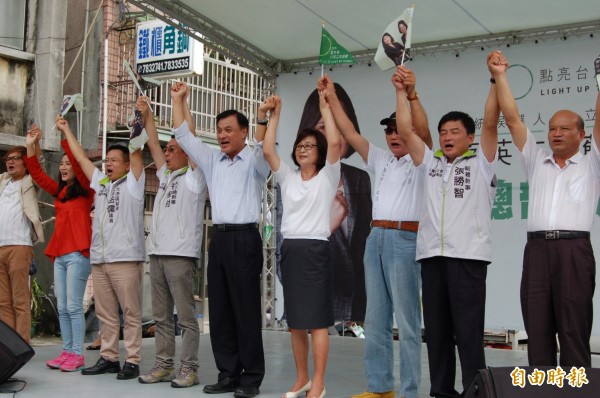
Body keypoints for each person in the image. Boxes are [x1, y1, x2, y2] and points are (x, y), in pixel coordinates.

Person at [320, 66, 431, 398]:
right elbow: (350, 132)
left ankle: (410, 391)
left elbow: (422, 132)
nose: (394, 136)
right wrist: (332, 95)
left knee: (408, 325)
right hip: (376, 240)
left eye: (399, 131)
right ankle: (381, 388)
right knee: (375, 319)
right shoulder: (381, 159)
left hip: (405, 239)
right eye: (389, 132)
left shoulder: (421, 157)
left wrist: (404, 91)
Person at [392, 62, 500, 397]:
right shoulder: (431, 164)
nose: (447, 137)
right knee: (436, 334)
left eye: (455, 132)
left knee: (468, 335)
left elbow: (493, 124)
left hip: (467, 258)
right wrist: (401, 92)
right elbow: (407, 132)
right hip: (432, 259)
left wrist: (496, 80)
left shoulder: (481, 164)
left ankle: (474, 392)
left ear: (470, 137)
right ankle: (441, 392)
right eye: (443, 132)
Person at [491, 50, 600, 367]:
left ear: (581, 135)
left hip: (574, 251)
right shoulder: (536, 159)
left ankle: (576, 391)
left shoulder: (591, 164)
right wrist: (500, 75)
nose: (556, 133)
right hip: (537, 251)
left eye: (565, 128)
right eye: (552, 128)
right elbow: (512, 119)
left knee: (573, 330)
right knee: (537, 330)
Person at [173, 82, 269, 398]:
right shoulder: (213, 161)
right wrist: (178, 100)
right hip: (220, 239)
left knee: (246, 310)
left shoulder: (255, 162)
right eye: (219, 130)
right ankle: (228, 373)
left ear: (244, 133)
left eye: (229, 129)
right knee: (222, 312)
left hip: (245, 239)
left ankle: (251, 378)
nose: (223, 135)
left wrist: (262, 119)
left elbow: (264, 146)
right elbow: (184, 137)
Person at [262, 90, 340, 398]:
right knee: (296, 323)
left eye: (309, 145)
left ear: (319, 152)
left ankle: (319, 383)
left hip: (316, 251)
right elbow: (268, 149)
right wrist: (275, 116)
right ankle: (302, 379)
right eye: (299, 146)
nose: (303, 149)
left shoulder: (328, 176)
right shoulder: (288, 176)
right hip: (290, 251)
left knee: (317, 323)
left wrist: (326, 107)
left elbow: (335, 142)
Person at [63, 119, 145, 380]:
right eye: (106, 160)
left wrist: (139, 122)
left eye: (114, 160)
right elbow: (81, 159)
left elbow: (136, 151)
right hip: (100, 259)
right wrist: (66, 129)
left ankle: (132, 360)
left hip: (126, 259)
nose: (107, 164)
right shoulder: (100, 184)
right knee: (105, 313)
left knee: (130, 313)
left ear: (127, 165)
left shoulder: (134, 183)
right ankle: (109, 357)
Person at [136, 92, 207, 388]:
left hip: (181, 256)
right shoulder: (165, 177)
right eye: (167, 149)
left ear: (187, 153)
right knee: (161, 317)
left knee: (186, 318)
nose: (166, 152)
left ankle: (188, 368)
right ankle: (164, 365)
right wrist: (147, 116)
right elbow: (152, 142)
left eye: (173, 149)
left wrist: (180, 102)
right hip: (158, 254)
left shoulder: (195, 176)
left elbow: (187, 134)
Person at [295, 83, 372, 324]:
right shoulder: (293, 181)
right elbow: (283, 259)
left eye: (339, 128)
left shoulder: (359, 179)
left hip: (354, 310)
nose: (333, 136)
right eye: (323, 127)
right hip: (312, 297)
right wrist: (327, 226)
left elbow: (362, 248)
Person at [24, 119, 94, 372]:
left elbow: (78, 161)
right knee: (63, 306)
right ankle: (67, 352)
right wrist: (32, 145)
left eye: (68, 163)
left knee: (74, 306)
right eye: (61, 164)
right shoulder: (60, 193)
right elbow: (38, 175)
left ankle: (77, 354)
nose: (64, 166)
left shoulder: (88, 190)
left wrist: (65, 132)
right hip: (60, 255)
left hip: (78, 254)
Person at [0, 143, 45, 343]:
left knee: (20, 300)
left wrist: (33, 144)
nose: (10, 162)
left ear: (25, 163)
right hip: (0, 246)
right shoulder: (2, 181)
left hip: (19, 246)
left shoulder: (29, 181)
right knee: (3, 302)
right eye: (8, 159)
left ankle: (22, 344)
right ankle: (8, 347)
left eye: (15, 158)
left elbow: (39, 165)